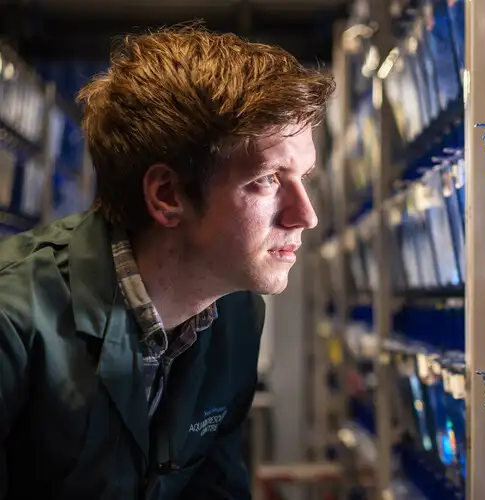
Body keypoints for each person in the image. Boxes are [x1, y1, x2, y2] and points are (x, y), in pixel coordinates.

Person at [0, 25, 335, 499]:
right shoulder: (13, 321)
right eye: (267, 180)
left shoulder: (236, 314)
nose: (306, 216)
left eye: (303, 177)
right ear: (167, 195)